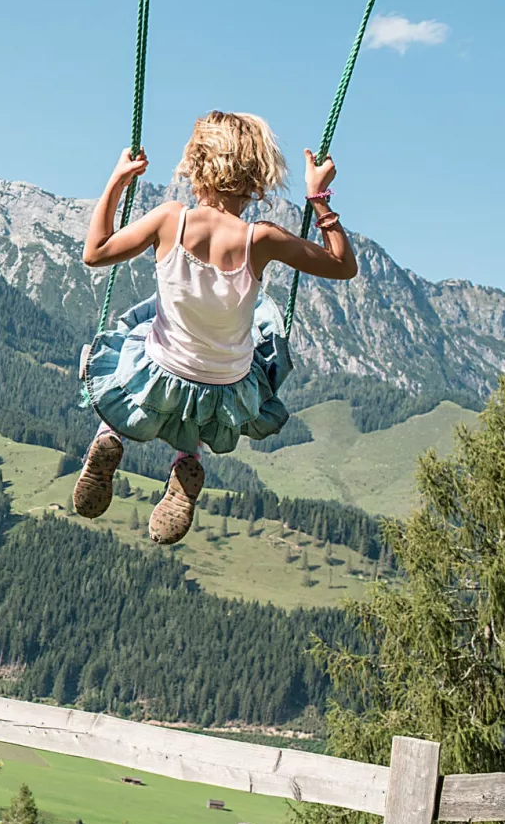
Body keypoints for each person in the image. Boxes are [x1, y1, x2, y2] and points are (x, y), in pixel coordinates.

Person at [75, 111, 356, 544]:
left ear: (195, 164)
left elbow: (95, 253)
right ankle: (187, 461)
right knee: (239, 359)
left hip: (159, 370)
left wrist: (117, 181)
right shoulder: (261, 238)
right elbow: (343, 266)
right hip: (226, 388)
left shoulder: (172, 218)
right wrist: (319, 197)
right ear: (258, 175)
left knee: (135, 334)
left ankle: (109, 435)